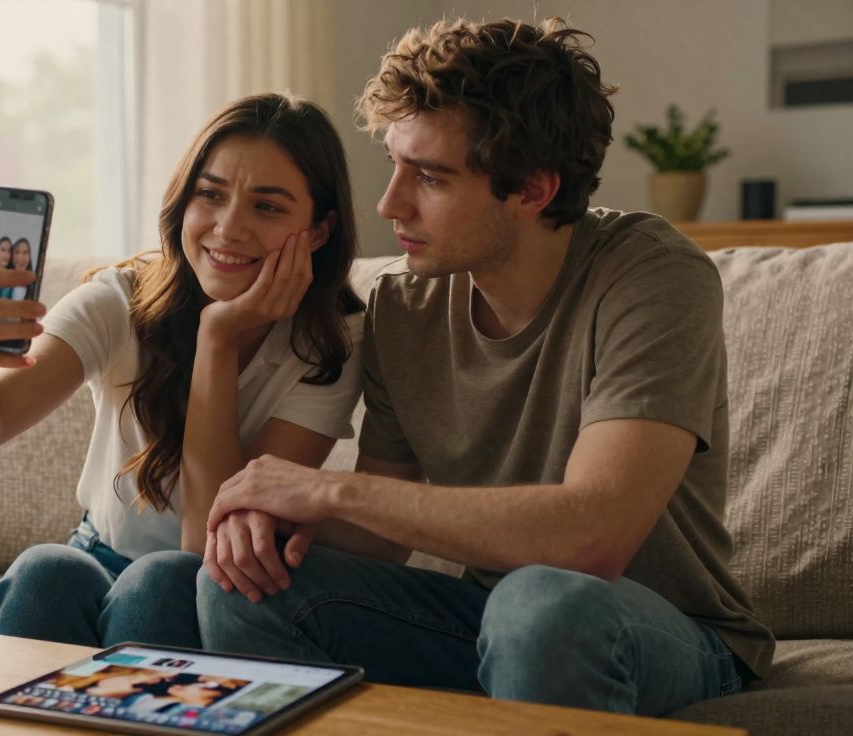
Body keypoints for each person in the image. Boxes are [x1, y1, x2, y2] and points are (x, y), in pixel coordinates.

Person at [193, 17, 774, 717]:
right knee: (238, 583)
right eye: (395, 166)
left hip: (663, 632)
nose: (389, 204)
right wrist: (261, 525)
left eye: (430, 177)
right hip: (487, 616)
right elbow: (379, 532)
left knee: (541, 601)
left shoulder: (652, 275)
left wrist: (326, 492)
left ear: (531, 189)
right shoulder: (405, 309)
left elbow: (592, 537)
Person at [0, 93, 383, 649]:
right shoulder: (120, 300)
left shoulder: (331, 343)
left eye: (267, 207)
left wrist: (217, 337)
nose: (228, 227)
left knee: (160, 581)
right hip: (95, 551)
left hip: (206, 586)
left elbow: (201, 539)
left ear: (318, 230)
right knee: (45, 573)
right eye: (209, 195)